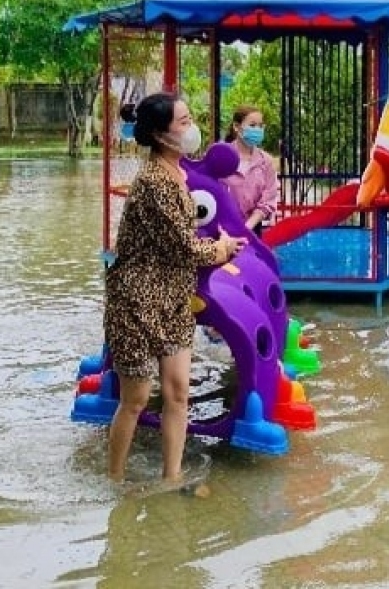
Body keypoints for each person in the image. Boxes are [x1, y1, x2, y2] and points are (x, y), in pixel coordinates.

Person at [104, 92, 247, 484]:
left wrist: (218, 244)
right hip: (136, 300)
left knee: (178, 391)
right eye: (183, 122)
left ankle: (172, 476)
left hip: (174, 298)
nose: (191, 127)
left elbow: (183, 241)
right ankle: (114, 481)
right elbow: (185, 247)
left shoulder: (179, 173)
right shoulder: (154, 183)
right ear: (160, 135)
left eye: (189, 118)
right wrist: (220, 248)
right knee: (134, 399)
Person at [221, 105, 280, 235]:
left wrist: (247, 228)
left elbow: (269, 199)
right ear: (236, 127)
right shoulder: (221, 155)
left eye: (260, 126)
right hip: (222, 230)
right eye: (252, 125)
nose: (257, 130)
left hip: (253, 230)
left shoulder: (266, 161)